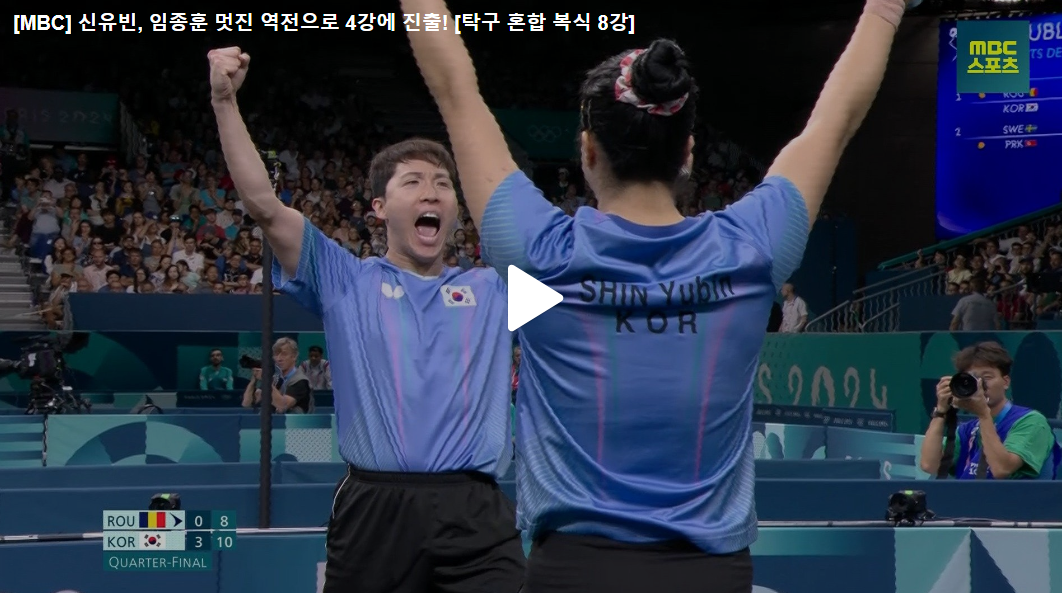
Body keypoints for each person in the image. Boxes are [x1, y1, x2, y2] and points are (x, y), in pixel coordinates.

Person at [401, 0, 916, 590]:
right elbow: (836, 119)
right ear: (688, 153)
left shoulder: (537, 251)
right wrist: (885, 8)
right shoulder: (752, 248)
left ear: (587, 151)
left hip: (573, 572)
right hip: (711, 574)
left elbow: (455, 91)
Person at [208, 47, 523, 593]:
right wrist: (224, 102)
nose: (431, 191)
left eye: (442, 183)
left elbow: (588, 304)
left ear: (457, 207)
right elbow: (263, 205)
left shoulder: (496, 289)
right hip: (375, 512)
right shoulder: (344, 279)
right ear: (378, 208)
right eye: (413, 182)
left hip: (477, 512)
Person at [919, 342, 1061, 480]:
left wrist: (983, 414)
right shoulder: (968, 429)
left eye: (987, 377)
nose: (981, 385)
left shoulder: (1031, 422)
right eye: (973, 379)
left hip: (1010, 496)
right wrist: (941, 411)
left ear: (1006, 382)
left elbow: (1001, 469)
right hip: (967, 495)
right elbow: (929, 465)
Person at [241, 337, 313, 414]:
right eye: (276, 354)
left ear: (294, 356)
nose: (279, 359)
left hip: (294, 420)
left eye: (284, 354)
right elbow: (247, 403)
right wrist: (254, 379)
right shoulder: (275, 379)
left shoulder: (300, 381)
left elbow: (282, 406)